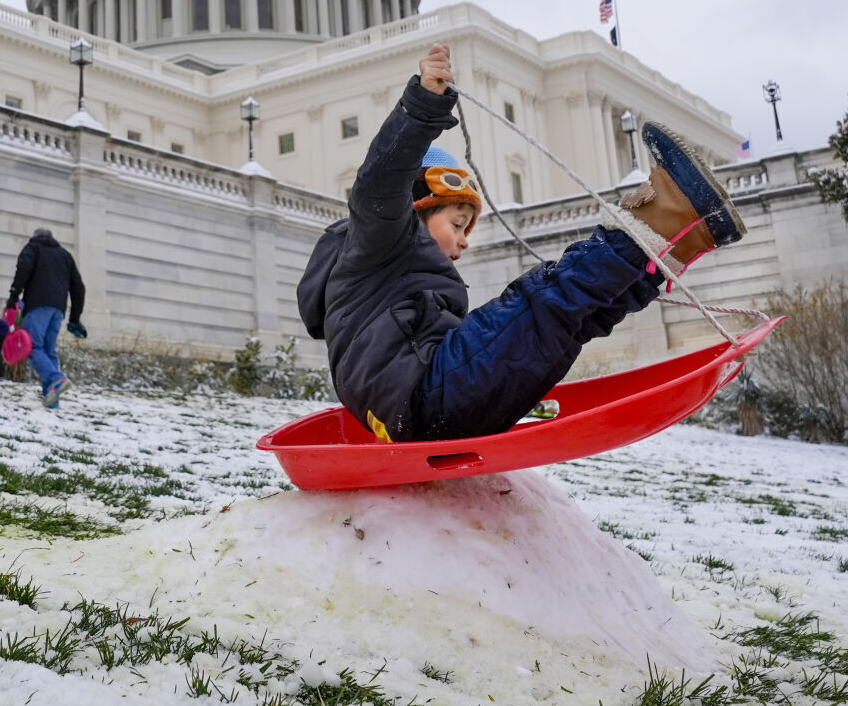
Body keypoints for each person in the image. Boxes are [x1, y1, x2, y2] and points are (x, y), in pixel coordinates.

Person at [297, 44, 746, 443]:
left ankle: (684, 242)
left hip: (426, 406)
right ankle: (665, 212)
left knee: (572, 321)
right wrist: (422, 105)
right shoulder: (372, 240)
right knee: (543, 301)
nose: (465, 241)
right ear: (416, 204)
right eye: (458, 222)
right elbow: (380, 181)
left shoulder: (402, 278)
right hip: (424, 396)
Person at [5, 227, 87, 409]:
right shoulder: (65, 255)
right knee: (48, 351)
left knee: (33, 347)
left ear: (34, 237)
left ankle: (57, 379)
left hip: (37, 305)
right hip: (58, 309)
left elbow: (23, 269)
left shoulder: (33, 248)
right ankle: (51, 399)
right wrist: (74, 318)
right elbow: (78, 287)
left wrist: (13, 296)